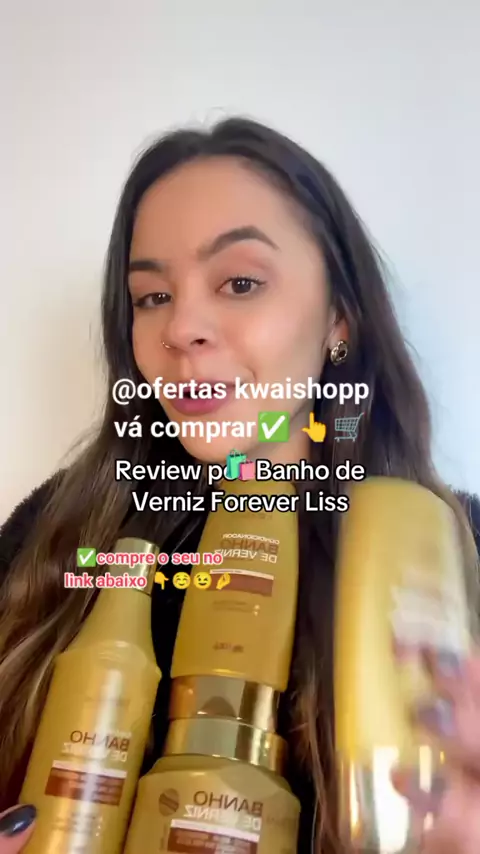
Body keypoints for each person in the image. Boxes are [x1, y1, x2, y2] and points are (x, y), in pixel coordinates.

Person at [0, 117, 479, 854]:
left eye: (240, 283)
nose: (181, 327)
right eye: (151, 296)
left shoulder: (452, 557)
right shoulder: (64, 530)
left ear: (340, 319)